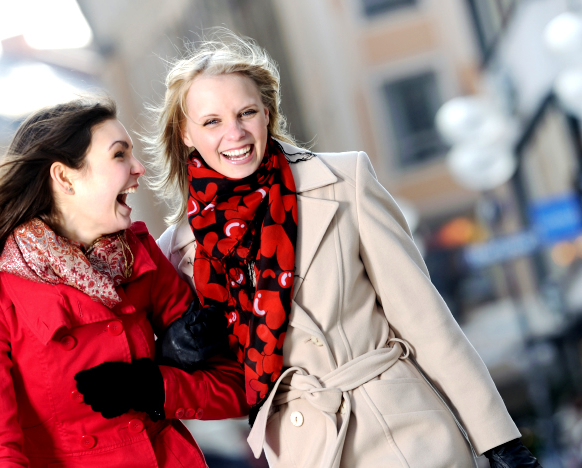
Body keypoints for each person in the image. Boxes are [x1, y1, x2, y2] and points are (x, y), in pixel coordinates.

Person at [145, 31, 542, 468]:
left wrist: (500, 441)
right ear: (185, 133)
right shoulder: (180, 252)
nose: (235, 133)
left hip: (404, 435)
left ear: (267, 113)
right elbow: (220, 385)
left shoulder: (343, 180)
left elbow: (425, 321)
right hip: (304, 451)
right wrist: (173, 353)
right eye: (212, 122)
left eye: (247, 113)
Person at [0, 98, 247, 467]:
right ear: (64, 178)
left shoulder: (138, 256)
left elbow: (238, 386)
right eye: (119, 155)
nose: (139, 168)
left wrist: (153, 388)